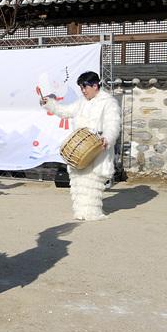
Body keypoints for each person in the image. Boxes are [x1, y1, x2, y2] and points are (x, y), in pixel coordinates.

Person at [40, 71, 121, 221]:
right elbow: (65, 111)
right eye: (81, 88)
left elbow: (113, 124)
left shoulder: (108, 102)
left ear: (95, 86)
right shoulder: (81, 102)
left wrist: (107, 138)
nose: (83, 91)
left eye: (85, 87)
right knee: (78, 182)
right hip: (80, 148)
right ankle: (81, 211)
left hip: (97, 148)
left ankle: (92, 212)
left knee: (92, 181)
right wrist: (49, 104)